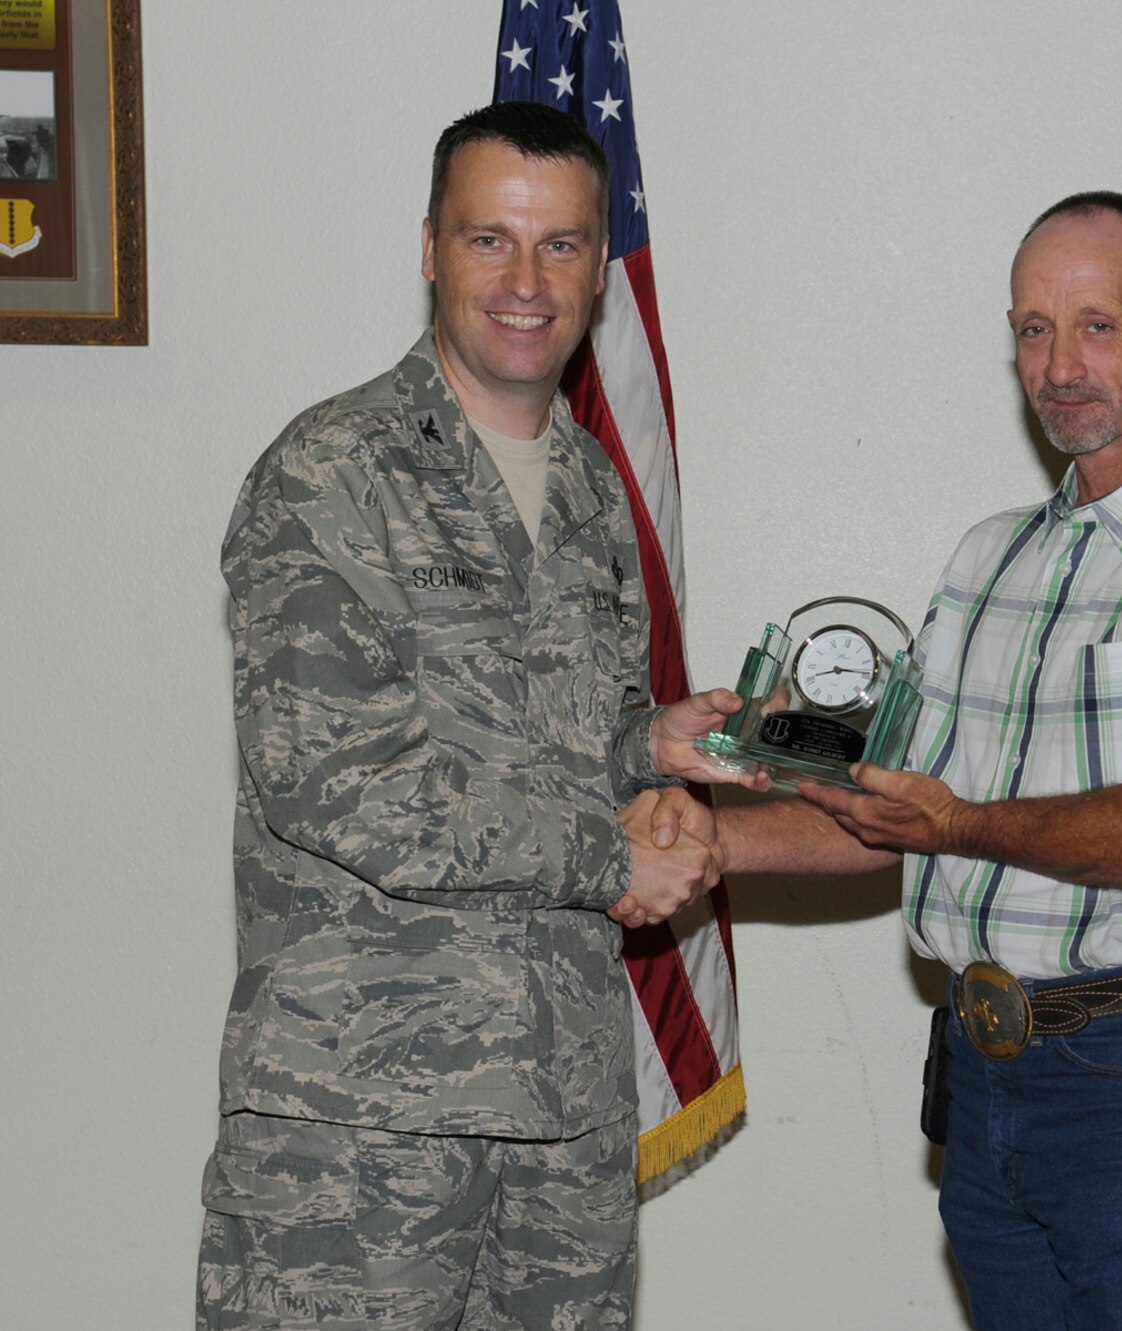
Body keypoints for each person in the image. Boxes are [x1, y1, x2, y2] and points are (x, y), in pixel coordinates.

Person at [651, 192, 1122, 1329]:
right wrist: (708, 841)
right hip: (980, 1069)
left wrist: (958, 825)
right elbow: (891, 812)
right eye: (1030, 328)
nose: (1058, 365)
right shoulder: (986, 559)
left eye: (1096, 325)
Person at [198, 101, 753, 1330]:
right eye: (489, 239)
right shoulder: (331, 471)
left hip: (564, 1116)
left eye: (559, 245)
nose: (524, 280)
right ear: (431, 249)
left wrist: (649, 746)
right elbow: (340, 779)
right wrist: (618, 851)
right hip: (358, 1134)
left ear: (599, 269)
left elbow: (553, 739)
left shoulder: (593, 483)